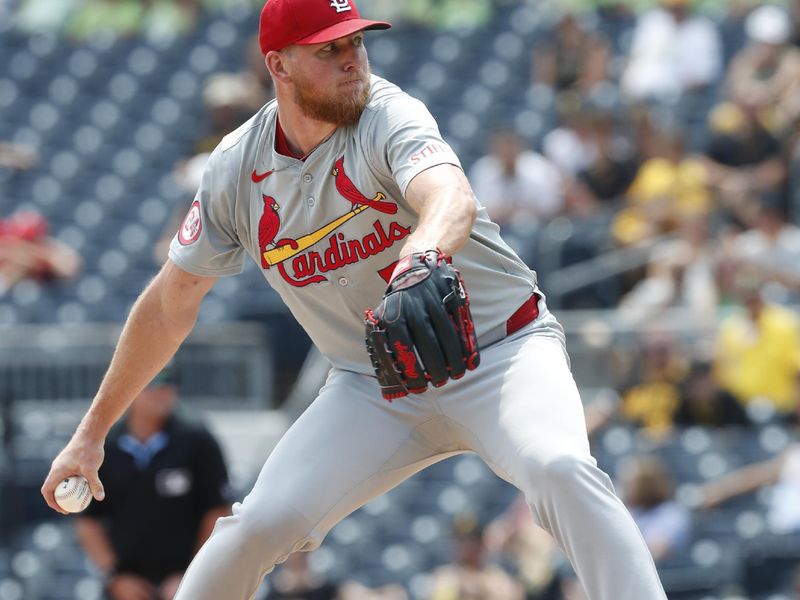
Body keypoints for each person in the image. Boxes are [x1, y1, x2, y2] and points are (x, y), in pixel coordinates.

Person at [42, 1, 668, 598]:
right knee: (257, 525)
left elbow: (450, 195)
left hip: (501, 353)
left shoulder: (387, 115)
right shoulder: (236, 169)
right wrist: (92, 432)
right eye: (329, 48)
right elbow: (170, 301)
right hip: (374, 385)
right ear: (278, 65)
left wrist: (422, 256)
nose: (352, 58)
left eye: (357, 41)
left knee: (561, 468)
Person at [74, 365, 233, 600]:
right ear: (128, 389)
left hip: (188, 585)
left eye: (169, 381)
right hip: (126, 588)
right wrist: (115, 577)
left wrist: (192, 574)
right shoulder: (105, 447)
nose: (162, 390)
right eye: (152, 382)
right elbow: (89, 521)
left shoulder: (197, 440)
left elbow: (218, 511)